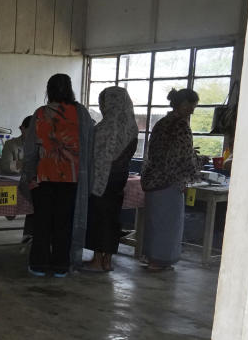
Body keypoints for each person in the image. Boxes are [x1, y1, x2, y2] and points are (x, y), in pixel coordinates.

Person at [20, 73, 94, 277]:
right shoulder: (81, 114)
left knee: (42, 223)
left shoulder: (41, 113)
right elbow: (89, 146)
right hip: (71, 178)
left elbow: (30, 150)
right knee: (64, 223)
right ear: (70, 89)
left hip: (43, 177)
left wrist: (29, 176)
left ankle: (38, 265)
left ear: (49, 90)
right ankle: (61, 266)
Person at [141, 88, 207, 272]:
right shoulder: (181, 126)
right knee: (168, 225)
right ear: (184, 105)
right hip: (169, 184)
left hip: (154, 180)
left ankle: (152, 258)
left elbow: (162, 153)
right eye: (192, 107)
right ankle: (160, 261)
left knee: (155, 223)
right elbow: (182, 159)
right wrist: (200, 161)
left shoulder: (162, 123)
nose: (193, 111)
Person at [85, 87, 138, 272]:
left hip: (102, 179)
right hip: (120, 177)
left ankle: (97, 260)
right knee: (113, 218)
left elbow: (99, 157)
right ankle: (107, 261)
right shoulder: (131, 126)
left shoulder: (107, 126)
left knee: (99, 218)